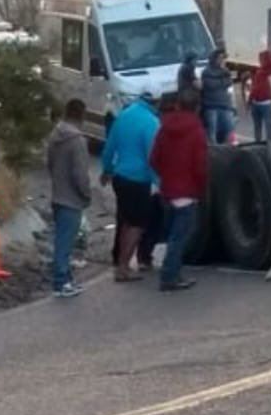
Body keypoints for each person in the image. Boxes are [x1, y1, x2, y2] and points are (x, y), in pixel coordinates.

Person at [149, 89, 208, 292]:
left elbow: (154, 158)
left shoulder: (164, 128)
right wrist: (200, 187)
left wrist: (166, 175)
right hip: (187, 191)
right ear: (197, 107)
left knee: (172, 234)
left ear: (178, 105)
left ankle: (173, 272)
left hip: (168, 189)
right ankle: (170, 276)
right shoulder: (197, 131)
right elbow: (200, 166)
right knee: (179, 237)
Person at [100, 90, 160, 282]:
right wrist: (159, 182)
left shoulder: (123, 115)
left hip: (120, 177)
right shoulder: (151, 122)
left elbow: (109, 147)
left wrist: (107, 169)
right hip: (138, 180)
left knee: (127, 221)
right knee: (137, 225)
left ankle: (121, 264)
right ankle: (123, 268)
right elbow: (152, 157)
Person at [46, 98, 94, 297]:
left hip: (58, 194)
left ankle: (66, 278)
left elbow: (50, 164)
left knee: (61, 239)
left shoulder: (55, 135)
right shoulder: (77, 141)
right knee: (65, 243)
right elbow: (80, 173)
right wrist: (86, 193)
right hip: (72, 199)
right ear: (82, 115)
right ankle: (61, 282)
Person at [199, 48, 236, 145]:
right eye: (220, 58)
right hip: (211, 106)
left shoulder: (225, 71)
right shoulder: (206, 71)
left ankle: (231, 148)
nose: (222, 60)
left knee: (230, 130)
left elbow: (229, 82)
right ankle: (214, 150)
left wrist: (220, 82)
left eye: (223, 58)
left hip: (225, 105)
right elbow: (210, 85)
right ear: (214, 58)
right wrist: (222, 82)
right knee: (213, 132)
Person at [248, 48, 271, 143]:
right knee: (268, 127)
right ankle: (270, 144)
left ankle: (258, 143)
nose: (259, 61)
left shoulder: (261, 73)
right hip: (266, 103)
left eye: (261, 59)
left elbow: (255, 88)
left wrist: (249, 100)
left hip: (258, 102)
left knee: (258, 126)